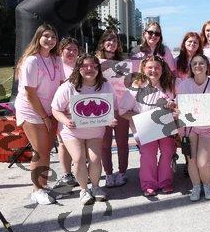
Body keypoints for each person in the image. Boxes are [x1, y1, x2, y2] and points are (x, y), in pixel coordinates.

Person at [51, 54, 118, 204]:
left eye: (93, 66)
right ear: (78, 68)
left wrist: (111, 119)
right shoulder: (68, 86)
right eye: (85, 66)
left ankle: (95, 187)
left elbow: (111, 107)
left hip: (95, 130)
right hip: (72, 131)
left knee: (95, 159)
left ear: (98, 68)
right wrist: (65, 121)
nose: (89, 69)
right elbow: (55, 109)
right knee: (78, 158)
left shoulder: (105, 85)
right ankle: (84, 190)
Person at [14, 23, 64, 205]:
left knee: (46, 150)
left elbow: (61, 85)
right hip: (32, 111)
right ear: (38, 37)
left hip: (50, 111)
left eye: (53, 37)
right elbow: (30, 93)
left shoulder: (56, 59)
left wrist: (57, 111)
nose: (50, 40)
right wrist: (44, 116)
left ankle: (43, 185)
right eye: (46, 36)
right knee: (40, 150)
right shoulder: (31, 61)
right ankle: (36, 190)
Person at [120, 55, 178, 197]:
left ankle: (165, 181)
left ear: (162, 69)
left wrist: (174, 107)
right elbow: (123, 111)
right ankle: (148, 184)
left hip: (166, 126)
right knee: (148, 154)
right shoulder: (135, 88)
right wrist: (141, 118)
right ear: (143, 69)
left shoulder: (169, 86)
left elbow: (178, 105)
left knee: (168, 151)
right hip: (145, 128)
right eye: (150, 67)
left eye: (157, 67)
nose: (154, 70)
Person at [177, 54, 210, 201]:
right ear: (191, 67)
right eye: (195, 64)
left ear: (207, 66)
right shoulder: (183, 85)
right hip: (189, 128)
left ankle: (207, 185)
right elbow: (179, 107)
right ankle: (196, 186)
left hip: (208, 128)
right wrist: (177, 112)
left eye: (201, 63)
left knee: (203, 162)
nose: (198, 66)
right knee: (191, 160)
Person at [96, 29, 130, 188]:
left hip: (121, 108)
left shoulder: (123, 63)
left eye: (115, 40)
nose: (112, 43)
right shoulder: (95, 62)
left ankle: (122, 172)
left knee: (122, 143)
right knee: (105, 144)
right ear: (103, 43)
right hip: (102, 108)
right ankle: (108, 174)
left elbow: (129, 84)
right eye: (109, 40)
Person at [53, 37, 80, 190]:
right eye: (68, 49)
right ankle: (66, 174)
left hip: (80, 111)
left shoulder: (80, 65)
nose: (71, 52)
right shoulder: (55, 65)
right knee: (63, 142)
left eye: (75, 50)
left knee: (81, 142)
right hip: (61, 111)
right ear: (61, 50)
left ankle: (80, 171)